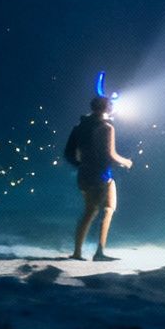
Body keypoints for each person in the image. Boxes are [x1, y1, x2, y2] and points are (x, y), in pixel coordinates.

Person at [66, 96, 134, 261]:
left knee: (91, 211)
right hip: (102, 176)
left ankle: (78, 252)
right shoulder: (106, 127)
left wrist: (82, 165)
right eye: (110, 105)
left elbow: (68, 153)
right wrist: (126, 162)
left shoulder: (79, 127)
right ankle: (99, 252)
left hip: (84, 176)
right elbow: (110, 155)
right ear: (106, 108)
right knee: (106, 209)